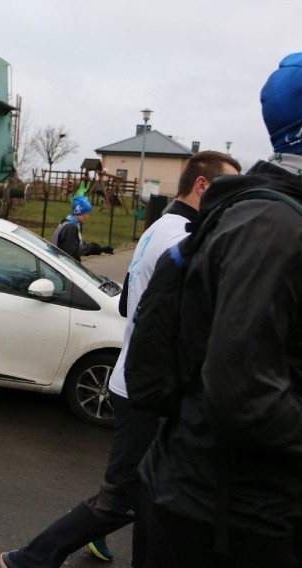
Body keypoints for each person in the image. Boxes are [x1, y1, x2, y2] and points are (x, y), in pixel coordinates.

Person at [0, 150, 241, 568]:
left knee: (148, 492)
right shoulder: (184, 237)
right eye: (230, 188)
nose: (236, 200)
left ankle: (94, 544)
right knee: (125, 496)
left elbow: (129, 301)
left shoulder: (160, 227)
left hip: (139, 379)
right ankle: (31, 559)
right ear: (204, 186)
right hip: (148, 387)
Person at [137, 52, 302, 568]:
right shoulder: (273, 228)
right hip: (228, 517)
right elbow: (242, 390)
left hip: (233, 505)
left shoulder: (267, 219)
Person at [50, 195, 113, 263]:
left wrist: (100, 249)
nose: (88, 217)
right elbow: (72, 252)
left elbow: (78, 246)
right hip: (66, 266)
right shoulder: (70, 228)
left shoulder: (70, 224)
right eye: (86, 213)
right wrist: (91, 248)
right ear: (79, 212)